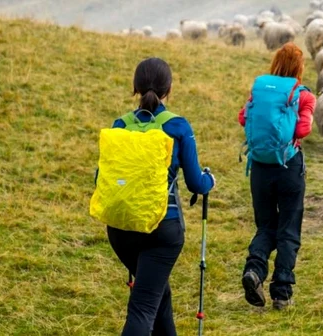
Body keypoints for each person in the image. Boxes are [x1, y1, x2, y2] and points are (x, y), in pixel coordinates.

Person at [105, 58, 215, 335]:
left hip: (120, 228)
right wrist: (209, 180)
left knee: (156, 293)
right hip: (162, 230)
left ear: (135, 87)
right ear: (169, 88)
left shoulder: (120, 125)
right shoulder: (177, 126)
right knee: (143, 307)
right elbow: (196, 184)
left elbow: (101, 178)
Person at [237, 43, 316, 310]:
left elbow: (242, 118)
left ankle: (255, 271)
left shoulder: (259, 88)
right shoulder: (302, 94)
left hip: (259, 168)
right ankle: (281, 293)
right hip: (289, 168)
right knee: (288, 229)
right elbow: (303, 129)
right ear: (299, 67)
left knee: (266, 226)